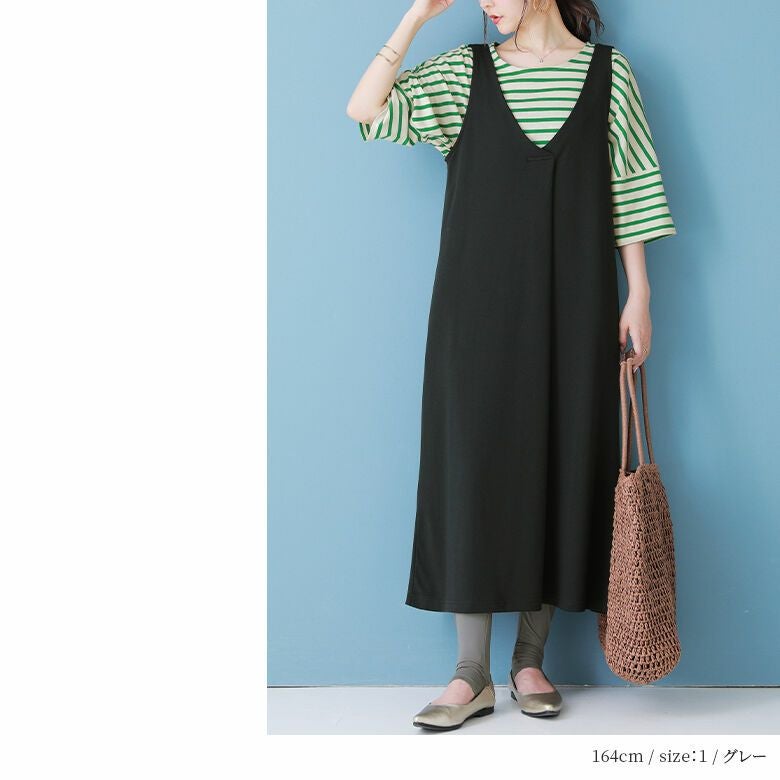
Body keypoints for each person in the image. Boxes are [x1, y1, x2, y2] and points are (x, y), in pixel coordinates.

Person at [347, 0, 676, 731]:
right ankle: (470, 673)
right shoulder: (464, 73)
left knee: (559, 461)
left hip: (576, 306)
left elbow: (633, 187)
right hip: (476, 313)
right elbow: (365, 109)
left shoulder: (610, 75)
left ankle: (530, 660)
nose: (484, 3)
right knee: (472, 469)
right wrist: (415, 17)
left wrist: (640, 294)